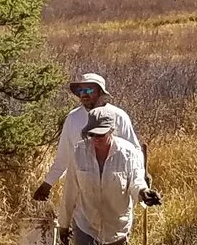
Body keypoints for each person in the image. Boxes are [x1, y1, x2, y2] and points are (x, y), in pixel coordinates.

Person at [61, 107, 156, 245]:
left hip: (117, 227)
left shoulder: (129, 153)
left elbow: (136, 181)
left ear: (112, 130)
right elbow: (70, 190)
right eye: (92, 134)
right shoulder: (78, 152)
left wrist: (144, 193)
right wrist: (64, 225)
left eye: (101, 134)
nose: (96, 139)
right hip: (86, 224)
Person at [34, 72, 140, 208]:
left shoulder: (119, 117)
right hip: (82, 194)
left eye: (89, 90)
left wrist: (141, 179)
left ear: (100, 92)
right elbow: (63, 157)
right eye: (81, 90)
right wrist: (47, 183)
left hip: (115, 192)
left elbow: (134, 153)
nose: (84, 94)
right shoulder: (73, 118)